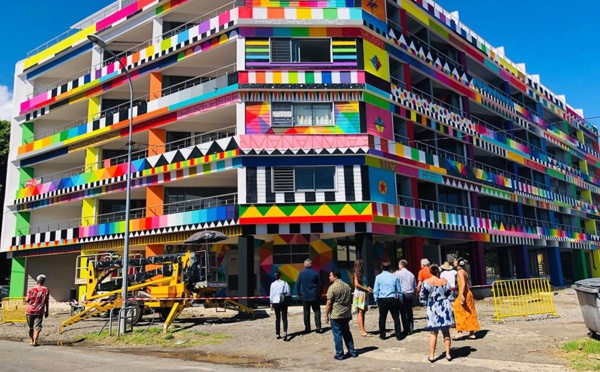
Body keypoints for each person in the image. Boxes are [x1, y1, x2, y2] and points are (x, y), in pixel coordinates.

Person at [419, 264, 455, 363]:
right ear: (438, 272)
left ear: (430, 272)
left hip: (433, 307)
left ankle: (432, 356)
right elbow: (451, 296)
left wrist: (427, 303)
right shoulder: (444, 281)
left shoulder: (426, 282)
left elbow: (422, 297)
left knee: (433, 333)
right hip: (444, 306)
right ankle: (448, 354)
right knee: (446, 332)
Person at [325, 269, 358, 360]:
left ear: (335, 276)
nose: (329, 277)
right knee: (347, 333)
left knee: (337, 335)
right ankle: (352, 351)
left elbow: (329, 302)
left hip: (336, 315)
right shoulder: (347, 286)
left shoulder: (332, 287)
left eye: (330, 275)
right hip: (346, 314)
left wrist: (326, 314)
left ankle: (339, 354)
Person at [373, 261, 403, 340]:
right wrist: (400, 299)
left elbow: (376, 290)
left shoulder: (378, 277)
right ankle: (398, 335)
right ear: (389, 268)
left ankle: (382, 335)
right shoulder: (394, 277)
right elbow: (399, 290)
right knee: (396, 317)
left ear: (382, 267)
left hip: (382, 298)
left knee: (382, 318)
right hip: (392, 298)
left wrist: (376, 300)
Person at [452, 257, 480, 340]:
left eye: (455, 261)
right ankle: (471, 332)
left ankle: (460, 331)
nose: (453, 262)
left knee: (457, 309)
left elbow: (463, 284)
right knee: (470, 312)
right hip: (468, 294)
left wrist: (461, 295)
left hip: (464, 294)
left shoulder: (460, 272)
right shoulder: (464, 272)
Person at [296, 258, 322, 333]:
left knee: (306, 312)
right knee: (317, 311)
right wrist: (320, 293)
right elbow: (320, 284)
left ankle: (307, 327)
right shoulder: (316, 273)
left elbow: (298, 284)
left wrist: (299, 293)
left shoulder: (301, 273)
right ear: (311, 265)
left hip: (305, 296)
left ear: (304, 265)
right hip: (314, 295)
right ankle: (318, 326)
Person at [25, 274, 50, 347]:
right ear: (43, 281)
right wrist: (47, 311)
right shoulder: (46, 289)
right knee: (38, 327)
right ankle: (35, 341)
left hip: (30, 311)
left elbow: (27, 300)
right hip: (39, 311)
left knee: (31, 327)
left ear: (37, 280)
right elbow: (46, 301)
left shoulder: (31, 289)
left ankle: (31, 340)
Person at [394, 259, 416, 335]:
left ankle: (406, 329)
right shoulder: (411, 274)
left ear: (401, 265)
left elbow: (395, 283)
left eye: (399, 265)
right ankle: (411, 328)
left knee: (403, 312)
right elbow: (414, 286)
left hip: (403, 293)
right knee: (409, 311)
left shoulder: (397, 273)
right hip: (410, 293)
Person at [352, 259, 373, 337]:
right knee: (360, 312)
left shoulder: (361, 273)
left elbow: (363, 284)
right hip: (360, 294)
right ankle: (362, 331)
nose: (363, 265)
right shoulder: (356, 273)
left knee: (363, 312)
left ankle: (363, 329)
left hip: (363, 293)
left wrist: (368, 287)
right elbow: (356, 284)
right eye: (362, 264)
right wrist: (366, 289)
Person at [270, 272, 291, 341]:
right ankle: (285, 332)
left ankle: (277, 333)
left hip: (275, 302)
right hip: (283, 301)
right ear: (281, 276)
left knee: (277, 318)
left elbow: (271, 294)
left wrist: (271, 303)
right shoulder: (285, 283)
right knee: (284, 318)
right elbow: (288, 292)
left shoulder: (272, 284)